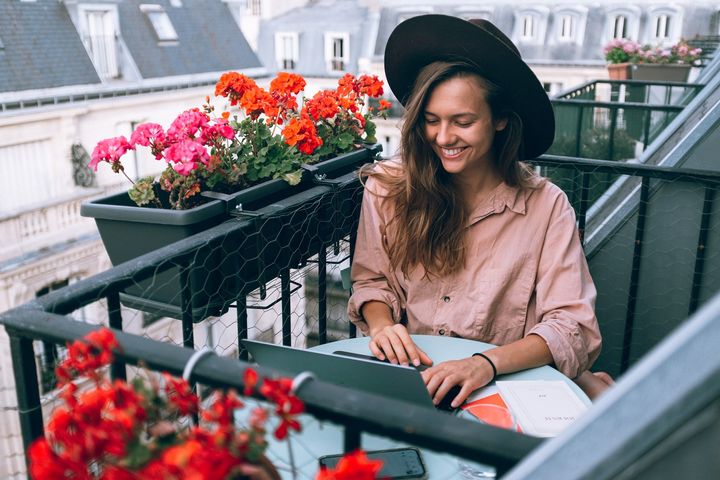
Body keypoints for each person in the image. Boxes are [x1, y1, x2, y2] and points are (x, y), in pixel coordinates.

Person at [347, 14, 612, 407]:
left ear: (501, 119)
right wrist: (383, 325)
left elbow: (572, 326)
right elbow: (372, 281)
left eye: (463, 122)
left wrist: (483, 364)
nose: (443, 137)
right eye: (430, 120)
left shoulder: (546, 206)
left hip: (504, 390)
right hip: (411, 384)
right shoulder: (387, 188)